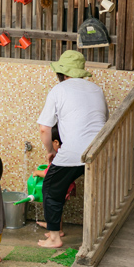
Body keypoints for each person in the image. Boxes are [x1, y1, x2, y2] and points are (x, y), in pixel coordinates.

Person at [37, 51, 108, 249]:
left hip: (74, 151)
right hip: (100, 150)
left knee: (50, 189)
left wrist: (51, 150)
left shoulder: (59, 90)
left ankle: (55, 237)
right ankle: (56, 228)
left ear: (61, 73)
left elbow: (45, 128)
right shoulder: (96, 89)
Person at [33, 124, 75, 238]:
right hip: (67, 186)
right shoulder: (67, 152)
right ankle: (51, 224)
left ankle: (58, 230)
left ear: (56, 142)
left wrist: (36, 173)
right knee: (57, 208)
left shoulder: (60, 156)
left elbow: (48, 173)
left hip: (61, 188)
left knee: (56, 207)